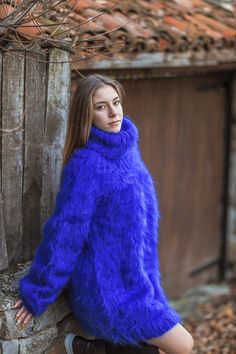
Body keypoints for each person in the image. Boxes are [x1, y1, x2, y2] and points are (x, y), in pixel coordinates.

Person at [14, 74, 194, 354]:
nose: (113, 112)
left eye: (116, 102)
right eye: (101, 107)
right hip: (105, 289)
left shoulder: (126, 149)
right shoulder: (86, 165)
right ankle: (86, 349)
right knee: (184, 345)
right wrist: (37, 292)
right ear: (87, 115)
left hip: (136, 283)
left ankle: (91, 349)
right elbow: (65, 233)